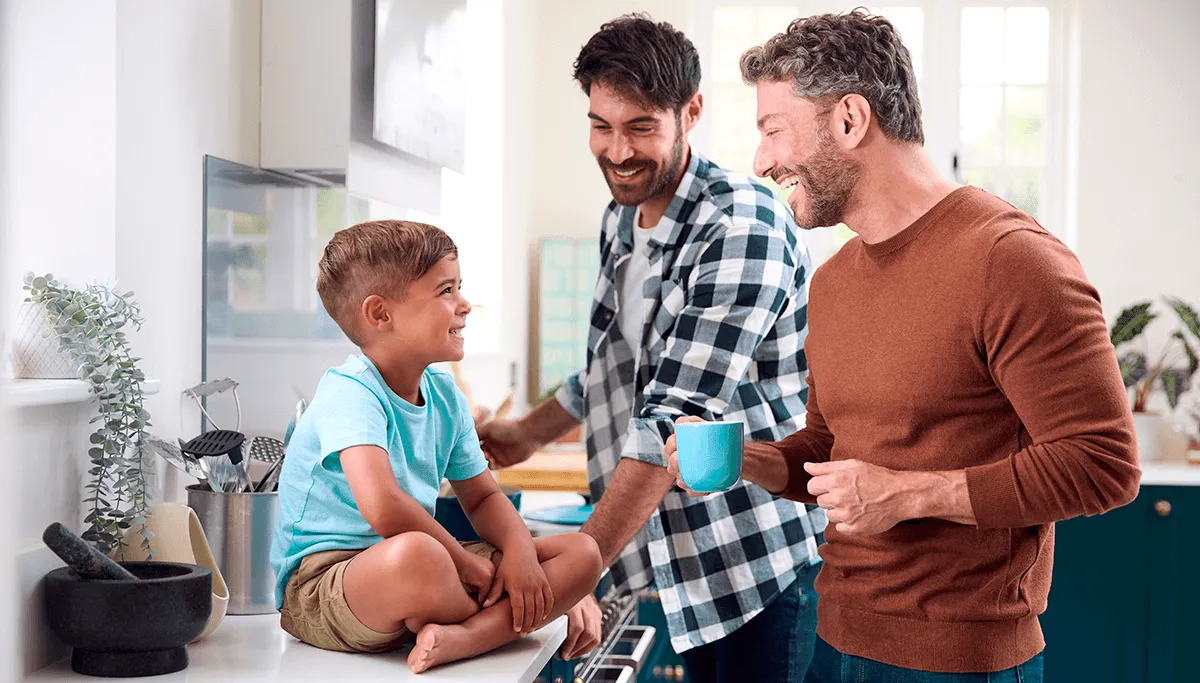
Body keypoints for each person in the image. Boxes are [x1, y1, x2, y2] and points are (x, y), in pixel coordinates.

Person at [665, 10, 1140, 681]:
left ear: (851, 119)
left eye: (774, 130)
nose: (762, 160)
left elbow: (1104, 465)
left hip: (960, 661)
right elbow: (834, 458)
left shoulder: (1011, 260)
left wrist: (911, 495)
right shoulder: (830, 283)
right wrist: (749, 459)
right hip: (833, 642)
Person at [479, 15, 826, 682]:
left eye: (640, 127)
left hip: (759, 562)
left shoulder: (739, 223)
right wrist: (525, 434)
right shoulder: (623, 216)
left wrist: (586, 556)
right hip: (686, 566)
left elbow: (674, 413)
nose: (617, 151)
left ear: (691, 111)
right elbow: (614, 369)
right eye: (601, 125)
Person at [269, 220, 603, 674]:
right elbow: (383, 508)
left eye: (460, 287)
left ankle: (466, 636)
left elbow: (483, 497)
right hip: (328, 584)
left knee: (582, 556)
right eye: (446, 290)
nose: (464, 304)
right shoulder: (350, 392)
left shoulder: (445, 396)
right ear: (381, 315)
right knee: (420, 555)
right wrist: (465, 563)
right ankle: (492, 626)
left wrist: (521, 552)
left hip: (422, 570)